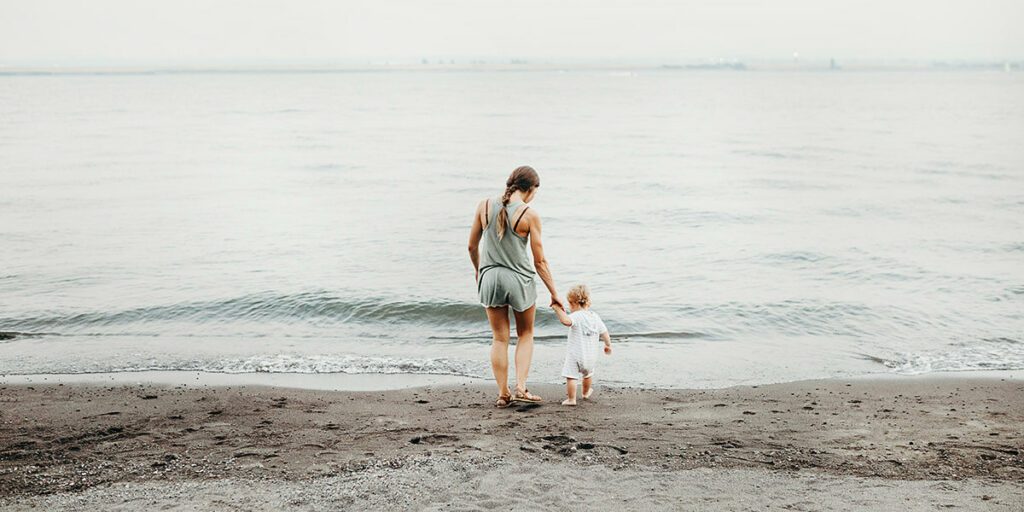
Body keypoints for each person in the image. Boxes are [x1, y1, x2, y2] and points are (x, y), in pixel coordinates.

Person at [468, 165, 563, 408]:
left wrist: (480, 271)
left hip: (490, 278)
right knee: (525, 334)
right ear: (530, 189)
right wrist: (554, 293)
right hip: (519, 279)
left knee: (499, 339)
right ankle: (521, 387)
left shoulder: (484, 205)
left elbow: (471, 246)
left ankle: (503, 393)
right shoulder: (529, 214)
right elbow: (539, 260)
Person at [551, 284, 612, 406]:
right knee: (588, 375)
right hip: (591, 356)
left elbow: (565, 321)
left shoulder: (576, 316)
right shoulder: (595, 317)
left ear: (573, 303)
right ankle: (585, 393)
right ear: (588, 302)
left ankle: (571, 399)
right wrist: (608, 345)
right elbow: (604, 332)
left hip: (576, 355)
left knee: (571, 376)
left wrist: (557, 309)